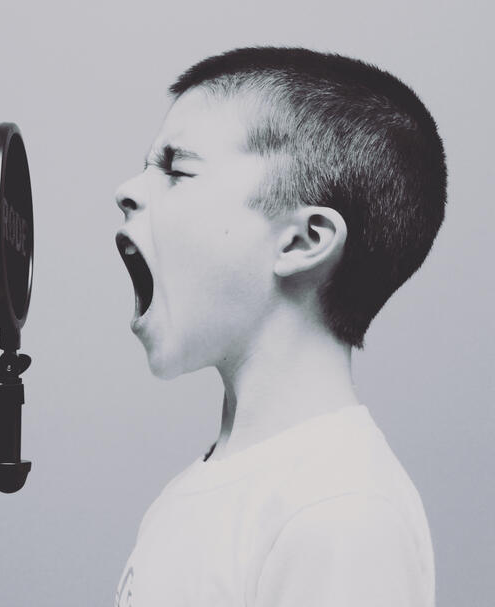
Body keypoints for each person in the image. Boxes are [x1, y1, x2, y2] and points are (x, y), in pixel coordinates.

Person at [113, 47, 445, 606]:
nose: (127, 191)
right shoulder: (203, 489)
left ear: (303, 240)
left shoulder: (340, 512)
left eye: (177, 169)